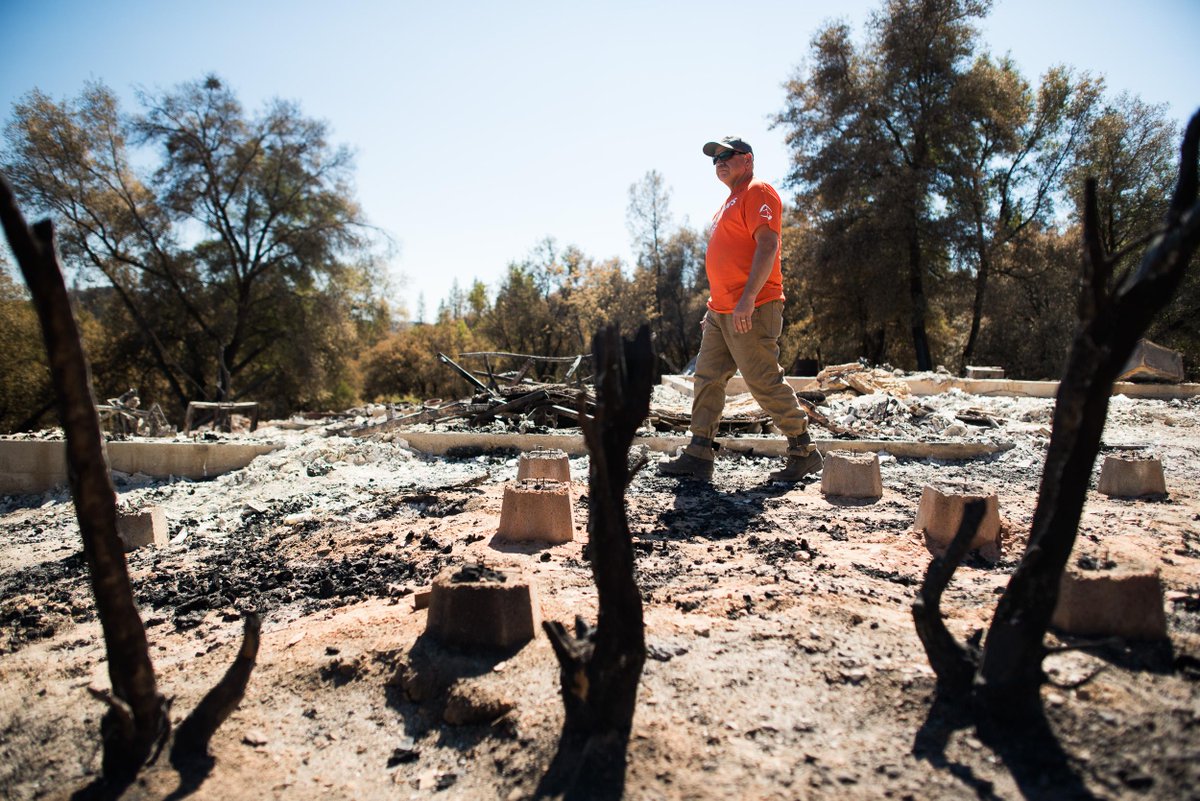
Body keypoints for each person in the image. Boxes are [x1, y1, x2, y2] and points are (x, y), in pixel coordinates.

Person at [658, 136, 822, 483]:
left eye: (726, 155)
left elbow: (768, 244)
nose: (719, 161)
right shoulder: (730, 201)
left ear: (747, 159)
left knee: (762, 380)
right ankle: (699, 452)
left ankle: (803, 451)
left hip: (754, 306)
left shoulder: (758, 191)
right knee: (707, 379)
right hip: (721, 312)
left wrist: (747, 298)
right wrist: (714, 307)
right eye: (714, 158)